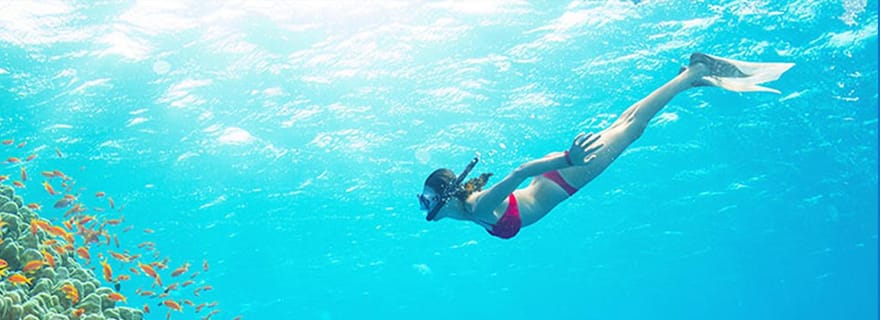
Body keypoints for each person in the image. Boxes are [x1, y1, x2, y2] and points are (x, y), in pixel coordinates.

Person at [417, 53, 794, 239]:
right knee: (624, 125)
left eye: (426, 200)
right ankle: (685, 79)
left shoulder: (477, 204)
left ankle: (694, 73)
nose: (426, 207)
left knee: (633, 129)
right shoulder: (471, 210)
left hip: (563, 177)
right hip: (556, 177)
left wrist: (568, 158)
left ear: (446, 195)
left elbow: (519, 173)